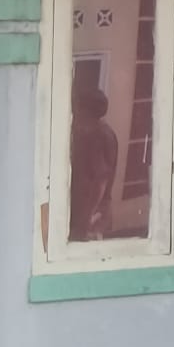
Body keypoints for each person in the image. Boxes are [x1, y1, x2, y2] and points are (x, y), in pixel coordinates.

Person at [69, 82, 119, 241]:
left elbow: (100, 181)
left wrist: (85, 220)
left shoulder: (94, 135)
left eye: (78, 107)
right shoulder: (104, 130)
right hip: (96, 211)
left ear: (86, 111)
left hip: (91, 215)